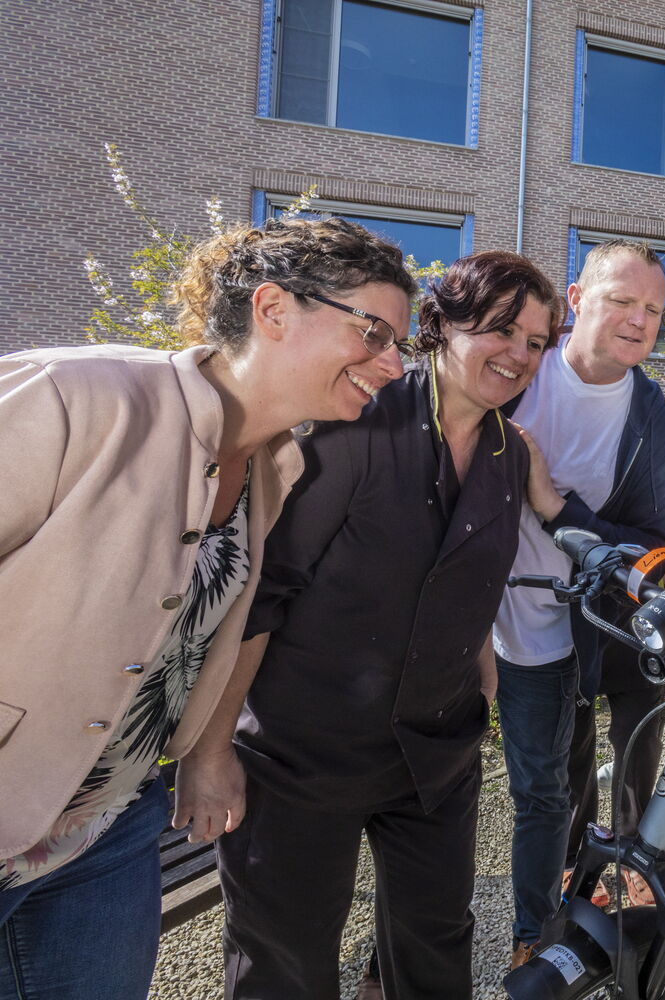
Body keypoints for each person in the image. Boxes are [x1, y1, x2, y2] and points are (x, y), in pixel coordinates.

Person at [0, 217, 416, 999]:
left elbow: (214, 630)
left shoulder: (272, 464)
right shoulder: (76, 397)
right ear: (273, 310)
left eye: (400, 344)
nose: (393, 365)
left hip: (110, 826)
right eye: (373, 333)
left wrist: (206, 750)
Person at [189, 250, 557, 999]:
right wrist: (212, 749)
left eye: (537, 342)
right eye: (501, 329)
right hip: (302, 756)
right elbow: (263, 596)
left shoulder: (506, 453)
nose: (519, 355)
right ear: (442, 325)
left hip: (435, 757)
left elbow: (473, 581)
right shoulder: (351, 423)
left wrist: (480, 685)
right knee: (285, 963)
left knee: (435, 951)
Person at [493, 240, 665, 968]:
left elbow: (650, 549)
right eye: (622, 301)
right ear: (576, 300)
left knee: (543, 789)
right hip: (466, 623)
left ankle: (532, 942)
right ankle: (399, 958)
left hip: (557, 632)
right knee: (440, 791)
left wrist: (554, 506)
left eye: (654, 310)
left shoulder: (652, 421)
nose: (639, 321)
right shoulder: (516, 369)